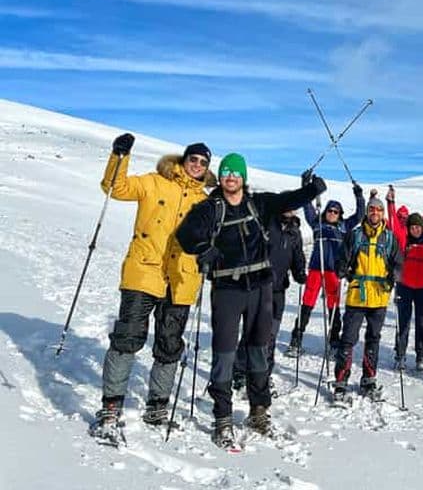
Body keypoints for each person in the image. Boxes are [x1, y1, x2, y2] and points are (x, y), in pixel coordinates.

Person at [176, 155, 325, 448]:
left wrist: (311, 190)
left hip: (260, 287)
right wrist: (203, 248)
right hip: (227, 289)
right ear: (220, 177)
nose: (231, 177)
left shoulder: (259, 203)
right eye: (226, 172)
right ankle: (223, 419)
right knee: (225, 354)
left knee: (259, 350)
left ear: (243, 177)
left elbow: (287, 200)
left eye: (236, 172)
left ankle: (258, 411)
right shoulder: (210, 208)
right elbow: (186, 234)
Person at [89, 135, 215, 445]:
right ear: (184, 159)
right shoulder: (154, 182)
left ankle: (157, 407)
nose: (197, 165)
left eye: (203, 162)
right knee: (127, 337)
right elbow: (115, 188)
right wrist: (119, 156)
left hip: (181, 280)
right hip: (144, 272)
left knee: (169, 344)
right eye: (193, 159)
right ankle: (111, 407)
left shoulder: (206, 202)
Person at [332, 195, 402, 402]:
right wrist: (342, 269)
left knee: (373, 338)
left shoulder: (389, 238)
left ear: (382, 213)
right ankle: (341, 381)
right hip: (357, 295)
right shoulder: (355, 235)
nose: (375, 213)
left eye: (378, 210)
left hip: (379, 296)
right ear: (367, 212)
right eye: (372, 209)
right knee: (348, 339)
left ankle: (369, 379)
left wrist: (394, 276)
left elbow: (398, 263)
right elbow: (342, 259)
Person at [232, 210, 307, 394]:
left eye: (293, 206)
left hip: (278, 291)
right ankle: (240, 372)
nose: (289, 209)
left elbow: (297, 255)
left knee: (271, 334)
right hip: (258, 287)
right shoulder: (266, 223)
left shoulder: (295, 231)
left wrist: (299, 272)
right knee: (252, 331)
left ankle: (263, 373)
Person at [286, 183, 364, 357]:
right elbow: (307, 205)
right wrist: (306, 186)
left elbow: (359, 215)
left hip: (333, 272)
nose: (332, 214)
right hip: (316, 269)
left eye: (336, 212)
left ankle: (334, 341)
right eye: (330, 210)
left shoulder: (344, 227)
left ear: (340, 214)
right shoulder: (317, 223)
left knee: (333, 307)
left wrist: (359, 196)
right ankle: (296, 339)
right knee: (307, 304)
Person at [386, 186, 423, 373]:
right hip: (405, 286)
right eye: (412, 227)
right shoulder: (404, 241)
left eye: (418, 226)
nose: (416, 229)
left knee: (422, 324)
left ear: (422, 227)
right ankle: (400, 356)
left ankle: (421, 357)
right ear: (408, 228)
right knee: (403, 323)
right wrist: (390, 203)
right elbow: (394, 223)